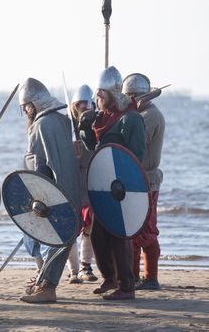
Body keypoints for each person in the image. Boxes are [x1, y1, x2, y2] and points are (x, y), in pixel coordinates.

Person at [78, 66, 146, 300]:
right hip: (105, 186)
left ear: (113, 93)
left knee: (119, 237)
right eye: (97, 94)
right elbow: (93, 149)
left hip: (122, 189)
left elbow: (136, 156)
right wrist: (85, 128)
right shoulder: (104, 118)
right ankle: (109, 278)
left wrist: (125, 185)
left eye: (101, 94)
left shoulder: (131, 119)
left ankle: (126, 286)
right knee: (98, 235)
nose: (97, 98)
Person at [18, 77, 81, 303]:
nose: (25, 110)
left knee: (53, 240)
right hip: (63, 190)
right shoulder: (60, 121)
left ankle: (47, 288)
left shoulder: (42, 125)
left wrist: (41, 196)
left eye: (25, 106)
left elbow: (42, 165)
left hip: (52, 192)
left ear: (33, 104)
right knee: (54, 240)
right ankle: (42, 283)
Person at [123, 73, 165, 290]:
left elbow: (132, 142)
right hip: (137, 179)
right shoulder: (143, 114)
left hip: (146, 179)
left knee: (145, 231)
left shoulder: (149, 116)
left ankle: (150, 278)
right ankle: (133, 276)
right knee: (133, 229)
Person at [65, 84, 98, 284]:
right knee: (70, 227)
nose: (85, 106)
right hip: (70, 181)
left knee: (90, 226)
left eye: (88, 103)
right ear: (75, 105)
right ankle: (73, 270)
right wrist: (71, 152)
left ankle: (86, 266)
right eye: (81, 103)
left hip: (90, 181)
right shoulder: (65, 126)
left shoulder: (97, 124)